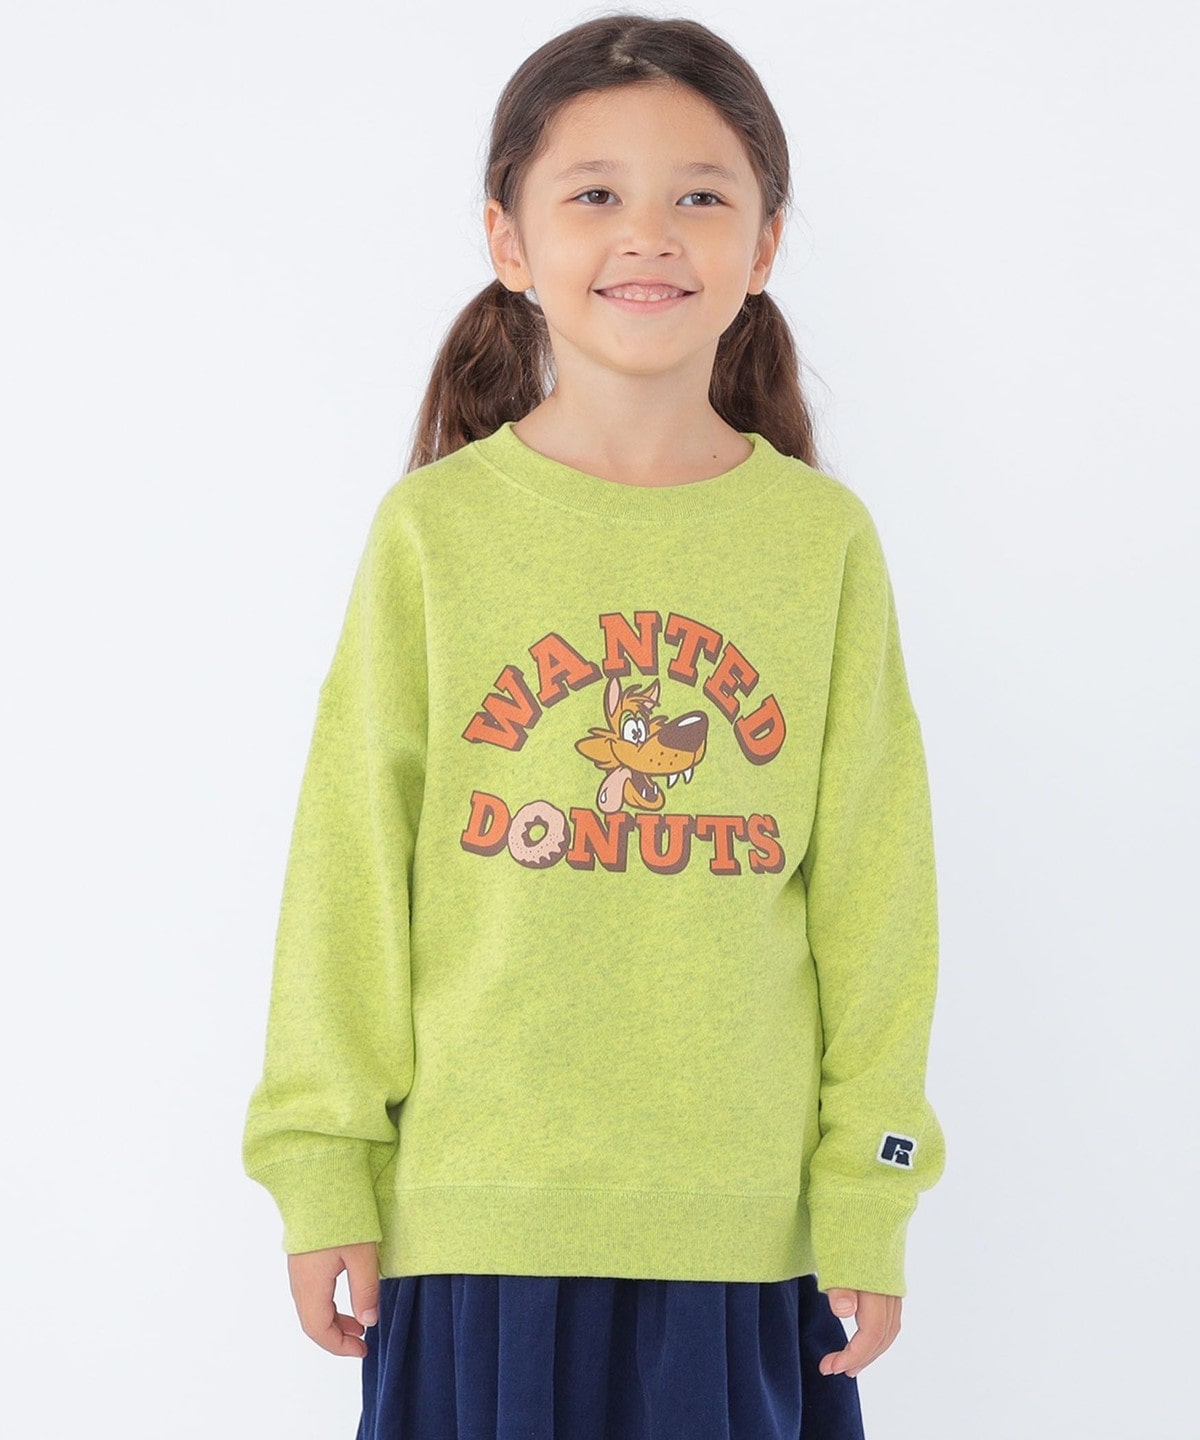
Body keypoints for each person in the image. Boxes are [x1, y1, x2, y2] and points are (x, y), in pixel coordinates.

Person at [241, 12, 948, 1439]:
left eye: (702, 195)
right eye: (595, 193)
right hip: (475, 1220)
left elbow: (877, 892)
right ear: (508, 240)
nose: (650, 235)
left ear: (766, 244)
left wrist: (868, 1188)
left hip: (739, 1236)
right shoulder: (436, 532)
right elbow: (350, 866)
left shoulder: (818, 543)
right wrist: (321, 1162)